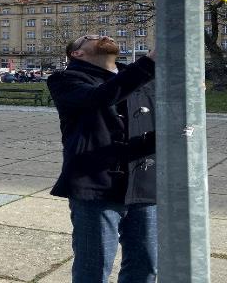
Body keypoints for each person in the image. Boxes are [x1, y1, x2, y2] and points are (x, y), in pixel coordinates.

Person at [47, 35, 158, 283]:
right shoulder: (66, 80)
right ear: (77, 53)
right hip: (96, 187)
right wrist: (150, 61)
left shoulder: (144, 77)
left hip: (144, 185)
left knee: (146, 266)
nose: (101, 36)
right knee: (93, 270)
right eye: (89, 38)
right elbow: (100, 98)